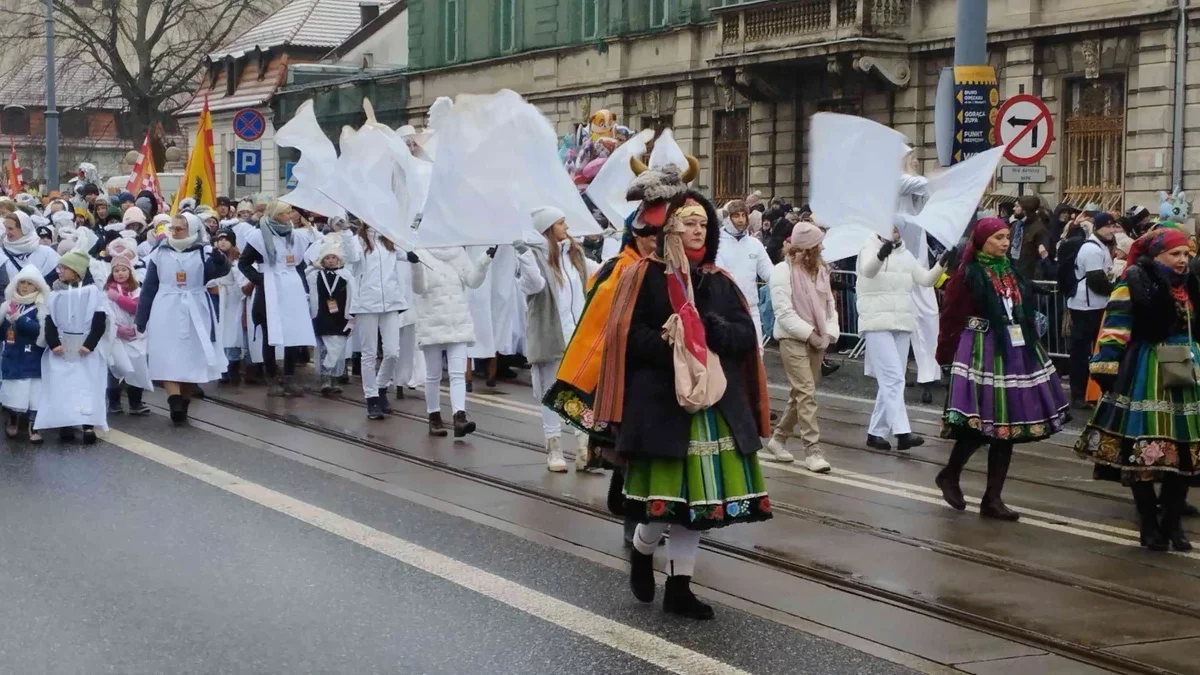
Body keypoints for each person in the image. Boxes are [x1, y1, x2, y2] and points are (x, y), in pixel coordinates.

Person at [594, 168, 772, 622]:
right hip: (662, 407)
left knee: (696, 510)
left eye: (703, 224)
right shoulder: (642, 276)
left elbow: (743, 336)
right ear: (669, 226)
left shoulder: (718, 280)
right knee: (664, 504)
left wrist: (714, 331)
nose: (698, 231)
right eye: (688, 222)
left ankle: (679, 587)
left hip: (711, 407)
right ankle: (641, 550)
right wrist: (668, 343)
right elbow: (624, 338)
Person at [935, 217, 1070, 521]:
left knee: (1006, 428)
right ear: (982, 240)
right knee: (979, 424)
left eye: (1007, 237)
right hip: (980, 351)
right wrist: (945, 354)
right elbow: (950, 316)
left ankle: (992, 498)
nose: (1005, 243)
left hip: (1014, 351)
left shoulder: (1011, 271)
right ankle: (950, 474)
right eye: (998, 238)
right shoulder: (967, 274)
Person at [1076, 228, 1196, 551]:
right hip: (1148, 369)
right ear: (1157, 256)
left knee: (1186, 452)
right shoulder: (1134, 281)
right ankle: (1148, 521)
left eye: (1186, 254)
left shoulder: (1191, 285)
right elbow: (1115, 328)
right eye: (1176, 254)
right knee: (1143, 451)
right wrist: (1106, 369)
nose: (1183, 260)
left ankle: (1172, 521)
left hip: (1188, 369)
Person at [517, 206, 600, 472]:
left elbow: (599, 271)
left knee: (578, 393)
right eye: (561, 223)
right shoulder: (534, 257)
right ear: (548, 228)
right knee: (551, 394)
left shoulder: (574, 254)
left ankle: (583, 449)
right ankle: (553, 449)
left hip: (577, 335)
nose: (566, 227)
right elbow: (535, 286)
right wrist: (524, 256)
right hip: (551, 337)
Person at [135, 213, 230, 425]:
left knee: (191, 359)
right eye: (173, 228)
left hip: (196, 307)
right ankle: (174, 399)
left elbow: (219, 271)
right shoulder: (160, 252)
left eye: (180, 229)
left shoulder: (203, 251)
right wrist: (142, 317)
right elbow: (149, 286)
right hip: (166, 308)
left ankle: (183, 403)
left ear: (193, 231)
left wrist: (218, 259)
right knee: (168, 356)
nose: (175, 232)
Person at [857, 228, 946, 450]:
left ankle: (875, 432)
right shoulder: (867, 248)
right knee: (894, 379)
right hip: (876, 322)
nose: (893, 230)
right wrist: (881, 255)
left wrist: (942, 264)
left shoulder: (906, 254)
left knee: (891, 381)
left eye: (896, 227)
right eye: (888, 226)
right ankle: (902, 432)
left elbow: (925, 280)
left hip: (902, 322)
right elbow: (867, 271)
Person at [762, 221, 839, 472]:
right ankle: (812, 451)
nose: (822, 248)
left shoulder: (821, 270)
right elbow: (784, 313)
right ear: (807, 248)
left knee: (801, 394)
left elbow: (829, 304)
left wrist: (829, 332)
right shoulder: (782, 272)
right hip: (792, 338)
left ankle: (779, 439)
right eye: (818, 245)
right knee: (806, 391)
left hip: (818, 337)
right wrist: (810, 335)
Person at [409, 244, 493, 438]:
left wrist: (484, 260)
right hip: (432, 321)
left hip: (458, 321)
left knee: (457, 373)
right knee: (433, 374)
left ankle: (459, 416)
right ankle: (434, 416)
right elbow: (419, 288)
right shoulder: (421, 252)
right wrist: (415, 265)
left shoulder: (458, 253)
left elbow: (472, 281)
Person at [239, 200, 316, 397]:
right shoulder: (258, 237)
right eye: (285, 213)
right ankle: (272, 378)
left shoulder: (294, 236)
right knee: (269, 334)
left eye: (289, 212)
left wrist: (303, 285)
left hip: (291, 287)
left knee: (293, 333)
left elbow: (300, 263)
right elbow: (244, 263)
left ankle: (289, 377)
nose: (289, 216)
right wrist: (261, 280)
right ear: (275, 215)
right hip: (270, 287)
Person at [35, 251, 108, 443]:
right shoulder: (55, 293)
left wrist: (90, 344)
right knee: (63, 385)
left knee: (87, 384)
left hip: (84, 346)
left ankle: (88, 424)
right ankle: (65, 423)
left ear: (76, 272)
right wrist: (53, 343)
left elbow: (100, 320)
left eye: (64, 268)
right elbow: (49, 320)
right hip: (62, 346)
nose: (60, 271)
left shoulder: (92, 292)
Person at [346, 225, 409, 419]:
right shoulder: (358, 241)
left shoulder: (389, 239)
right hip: (366, 303)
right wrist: (344, 232)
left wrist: (413, 229)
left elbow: (408, 252)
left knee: (392, 352)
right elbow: (352, 257)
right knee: (369, 354)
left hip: (391, 301)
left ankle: (381, 387)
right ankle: (371, 398)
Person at [1065, 212, 1116, 409]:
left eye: (1113, 226)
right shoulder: (1092, 249)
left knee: (1092, 349)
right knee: (1081, 350)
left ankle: (1092, 391)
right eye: (1107, 226)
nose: (1111, 230)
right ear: (1097, 227)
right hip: (1086, 305)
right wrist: (1115, 291)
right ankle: (1079, 394)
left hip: (1095, 304)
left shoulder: (1101, 246)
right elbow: (1096, 281)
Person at [0, 265, 49, 443]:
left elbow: (41, 332)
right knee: (14, 389)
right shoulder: (8, 305)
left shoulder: (41, 307)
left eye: (30, 283)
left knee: (34, 392)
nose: (25, 286)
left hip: (33, 355)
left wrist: (21, 320)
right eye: (22, 282)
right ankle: (13, 417)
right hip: (13, 354)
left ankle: (33, 424)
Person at [715, 199, 773, 347]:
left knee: (756, 353)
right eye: (736, 215)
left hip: (751, 308)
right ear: (727, 218)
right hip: (723, 310)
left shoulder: (755, 244)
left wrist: (786, 276)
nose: (741, 220)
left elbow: (770, 274)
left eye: (743, 215)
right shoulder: (715, 243)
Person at [103, 244, 151, 416]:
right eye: (116, 270)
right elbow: (105, 316)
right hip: (116, 337)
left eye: (124, 270)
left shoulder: (136, 290)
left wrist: (119, 298)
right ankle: (114, 402)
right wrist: (118, 329)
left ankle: (135, 402)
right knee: (115, 368)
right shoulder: (107, 292)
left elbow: (135, 308)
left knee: (137, 366)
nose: (120, 273)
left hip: (135, 335)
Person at [308, 236, 356, 397]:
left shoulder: (346, 275)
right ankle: (325, 378)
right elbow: (305, 278)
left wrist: (351, 316)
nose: (330, 261)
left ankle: (335, 376)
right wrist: (313, 266)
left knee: (338, 347)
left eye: (333, 257)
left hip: (340, 317)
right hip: (322, 315)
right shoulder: (316, 275)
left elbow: (353, 296)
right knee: (324, 348)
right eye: (327, 258)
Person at [210, 229, 249, 385]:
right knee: (220, 332)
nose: (223, 242)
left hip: (232, 299)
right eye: (220, 239)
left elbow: (242, 283)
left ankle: (233, 366)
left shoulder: (237, 263)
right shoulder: (213, 260)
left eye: (226, 239)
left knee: (232, 332)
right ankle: (222, 366)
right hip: (217, 298)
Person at [0, 210, 60, 290]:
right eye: (6, 228)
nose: (6, 232)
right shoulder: (1, 254)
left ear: (24, 229)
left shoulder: (46, 253)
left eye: (11, 229)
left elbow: (57, 281)